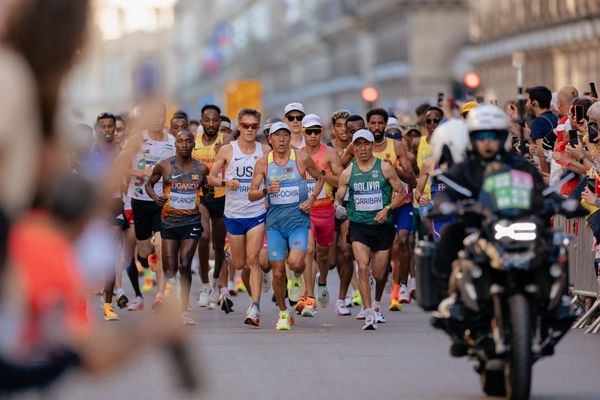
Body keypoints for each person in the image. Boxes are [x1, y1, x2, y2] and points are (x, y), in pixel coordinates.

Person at [248, 121, 325, 330]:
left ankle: (297, 278)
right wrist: (266, 190)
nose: (281, 140)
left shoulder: (301, 158)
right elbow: (251, 194)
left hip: (298, 222)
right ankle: (283, 312)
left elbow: (320, 178)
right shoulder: (263, 163)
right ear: (270, 139)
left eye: (285, 135)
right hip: (275, 226)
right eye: (277, 136)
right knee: (278, 272)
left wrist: (312, 199)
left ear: (290, 138)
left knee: (296, 263)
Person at [335, 129, 407, 330]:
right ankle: (368, 313)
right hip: (358, 226)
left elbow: (401, 192)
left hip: (382, 226)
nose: (362, 149)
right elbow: (338, 198)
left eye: (366, 144)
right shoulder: (348, 172)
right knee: (363, 267)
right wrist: (338, 207)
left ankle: (375, 303)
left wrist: (387, 208)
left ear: (372, 146)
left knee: (378, 273)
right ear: (353, 148)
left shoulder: (384, 168)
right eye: (357, 145)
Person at [208, 108, 270, 325]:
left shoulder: (265, 150)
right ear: (239, 126)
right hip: (233, 214)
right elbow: (211, 178)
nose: (250, 130)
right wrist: (226, 183)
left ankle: (255, 308)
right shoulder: (227, 150)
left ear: (259, 127)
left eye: (254, 126)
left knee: (254, 260)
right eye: (246, 125)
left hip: (256, 212)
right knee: (240, 263)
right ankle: (232, 258)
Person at [115, 100, 175, 310]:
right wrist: (140, 173)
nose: (157, 119)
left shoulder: (172, 141)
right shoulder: (138, 139)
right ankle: (147, 258)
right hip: (139, 200)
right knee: (143, 250)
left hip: (161, 201)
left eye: (161, 115)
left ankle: (160, 294)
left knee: (160, 246)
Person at [145, 129, 210, 325]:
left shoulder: (201, 169)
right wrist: (155, 197)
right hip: (169, 222)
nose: (183, 144)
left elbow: (206, 189)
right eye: (180, 141)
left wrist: (207, 192)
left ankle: (183, 310)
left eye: (187, 141)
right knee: (170, 269)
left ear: (193, 145)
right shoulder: (164, 166)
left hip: (191, 222)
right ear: (176, 144)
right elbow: (149, 184)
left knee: (185, 264)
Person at [366, 107, 416, 311]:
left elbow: (412, 178)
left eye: (380, 123)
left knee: (403, 240)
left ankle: (398, 289)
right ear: (368, 125)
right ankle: (375, 282)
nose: (377, 127)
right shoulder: (361, 147)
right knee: (379, 251)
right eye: (373, 123)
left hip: (401, 204)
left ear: (386, 125)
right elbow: (345, 170)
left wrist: (394, 171)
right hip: (377, 206)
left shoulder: (396, 147)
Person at [295, 114, 343, 317]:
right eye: (309, 132)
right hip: (306, 211)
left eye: (316, 131)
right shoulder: (297, 154)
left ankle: (322, 281)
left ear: (321, 132)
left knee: (323, 255)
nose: (313, 135)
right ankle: (308, 297)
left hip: (326, 210)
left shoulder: (330, 154)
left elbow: (341, 180)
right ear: (303, 133)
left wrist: (322, 176)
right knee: (309, 250)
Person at [192, 104, 232, 309]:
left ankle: (215, 278)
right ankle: (205, 286)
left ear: (220, 122)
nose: (211, 124)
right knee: (203, 236)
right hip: (200, 197)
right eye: (207, 120)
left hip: (222, 196)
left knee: (218, 245)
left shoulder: (225, 141)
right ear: (201, 122)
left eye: (215, 120)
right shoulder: (194, 142)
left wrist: (223, 152)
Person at [526, 86, 558, 175]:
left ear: (534, 103)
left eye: (528, 101)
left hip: (551, 173)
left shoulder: (538, 122)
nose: (526, 104)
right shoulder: (555, 117)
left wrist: (546, 176)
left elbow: (542, 153)